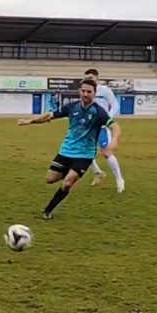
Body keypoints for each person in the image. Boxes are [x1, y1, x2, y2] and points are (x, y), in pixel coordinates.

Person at [18, 80, 121, 219]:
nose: (85, 94)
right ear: (79, 91)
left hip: (84, 155)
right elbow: (50, 115)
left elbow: (115, 126)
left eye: (89, 92)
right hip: (66, 151)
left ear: (94, 94)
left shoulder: (99, 112)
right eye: (83, 91)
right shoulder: (72, 107)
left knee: (67, 184)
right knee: (50, 179)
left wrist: (113, 142)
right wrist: (31, 121)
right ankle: (70, 172)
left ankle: (48, 211)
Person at [82, 68, 126, 193]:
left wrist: (107, 119)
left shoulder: (105, 90)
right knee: (85, 152)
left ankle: (119, 179)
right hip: (89, 127)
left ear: (97, 78)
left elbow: (115, 105)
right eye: (86, 78)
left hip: (102, 127)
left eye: (90, 78)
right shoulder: (86, 91)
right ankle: (98, 172)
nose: (88, 80)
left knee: (106, 152)